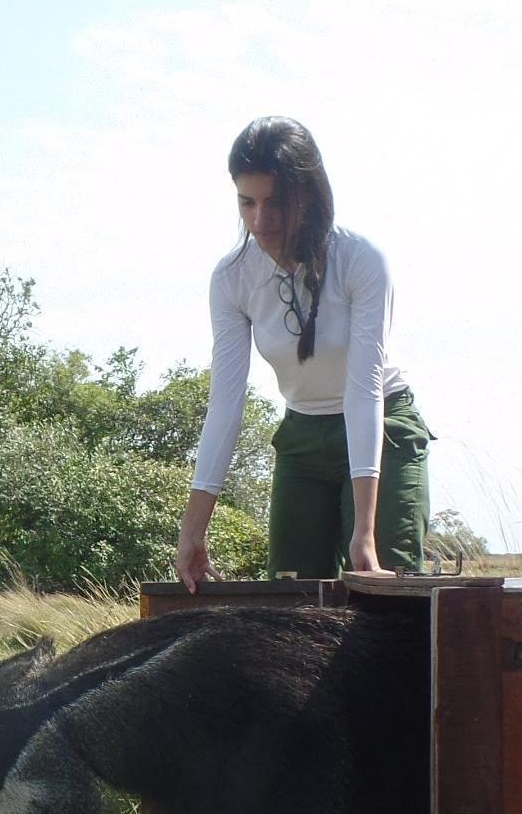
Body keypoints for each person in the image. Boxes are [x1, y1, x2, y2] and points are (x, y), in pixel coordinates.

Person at [176, 116, 433, 592]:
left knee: (386, 592)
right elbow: (225, 405)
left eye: (275, 202)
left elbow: (364, 391)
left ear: (308, 194)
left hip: (383, 427)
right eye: (246, 202)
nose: (260, 220)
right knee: (290, 599)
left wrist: (364, 530)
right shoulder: (231, 278)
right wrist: (192, 530)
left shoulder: (361, 260)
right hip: (302, 437)